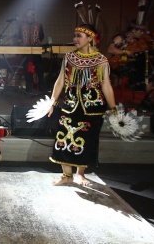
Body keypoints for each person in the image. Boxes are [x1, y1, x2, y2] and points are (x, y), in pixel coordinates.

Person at [44, 21, 117, 187]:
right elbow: (60, 80)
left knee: (86, 140)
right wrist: (52, 102)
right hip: (70, 105)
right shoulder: (69, 57)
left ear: (90, 38)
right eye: (75, 35)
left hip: (92, 108)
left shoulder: (101, 60)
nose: (75, 38)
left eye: (79, 35)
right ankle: (66, 175)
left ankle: (80, 174)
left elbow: (106, 85)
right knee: (63, 137)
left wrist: (114, 108)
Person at [107, 20, 154, 94]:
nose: (142, 33)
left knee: (148, 63)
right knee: (144, 67)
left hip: (135, 63)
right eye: (140, 31)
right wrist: (124, 52)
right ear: (133, 30)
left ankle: (149, 87)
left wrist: (153, 44)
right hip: (120, 64)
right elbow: (110, 49)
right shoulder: (120, 38)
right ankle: (147, 89)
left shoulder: (140, 40)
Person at [14, 8, 47, 94]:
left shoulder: (39, 25)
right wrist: (20, 41)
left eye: (31, 15)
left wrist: (38, 40)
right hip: (25, 50)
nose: (30, 17)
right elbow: (19, 36)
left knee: (40, 68)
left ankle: (42, 87)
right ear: (26, 16)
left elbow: (42, 36)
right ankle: (29, 87)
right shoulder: (22, 25)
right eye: (28, 15)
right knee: (26, 68)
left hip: (36, 50)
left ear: (33, 16)